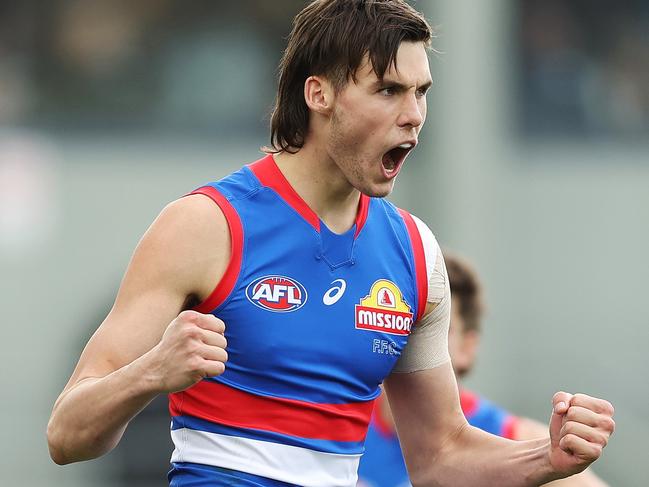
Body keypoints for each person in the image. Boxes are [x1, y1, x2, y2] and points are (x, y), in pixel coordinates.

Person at [47, 1, 614, 486]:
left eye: (421, 93)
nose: (414, 116)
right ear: (318, 94)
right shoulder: (205, 225)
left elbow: (441, 457)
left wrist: (548, 457)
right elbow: (67, 435)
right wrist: (153, 371)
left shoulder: (415, 252)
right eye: (388, 90)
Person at [357, 252, 610, 487]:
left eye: (433, 328)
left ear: (468, 347)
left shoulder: (523, 440)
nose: (411, 338)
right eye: (403, 322)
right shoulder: (341, 425)